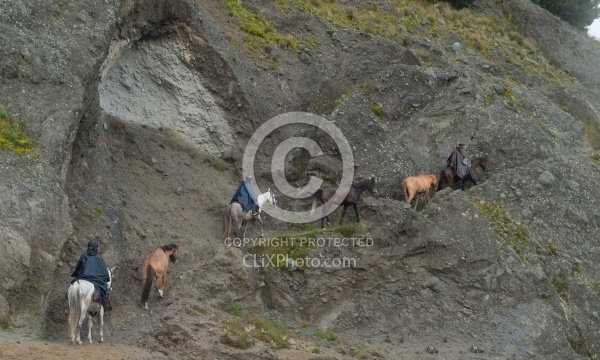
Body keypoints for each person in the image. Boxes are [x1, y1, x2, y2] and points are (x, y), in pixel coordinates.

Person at [71, 240, 112, 311]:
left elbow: (78, 268)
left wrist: (77, 276)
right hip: (95, 280)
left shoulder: (83, 256)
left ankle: (68, 296)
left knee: (73, 285)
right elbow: (104, 271)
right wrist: (106, 278)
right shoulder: (98, 258)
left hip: (83, 277)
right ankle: (105, 304)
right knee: (105, 289)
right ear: (96, 248)